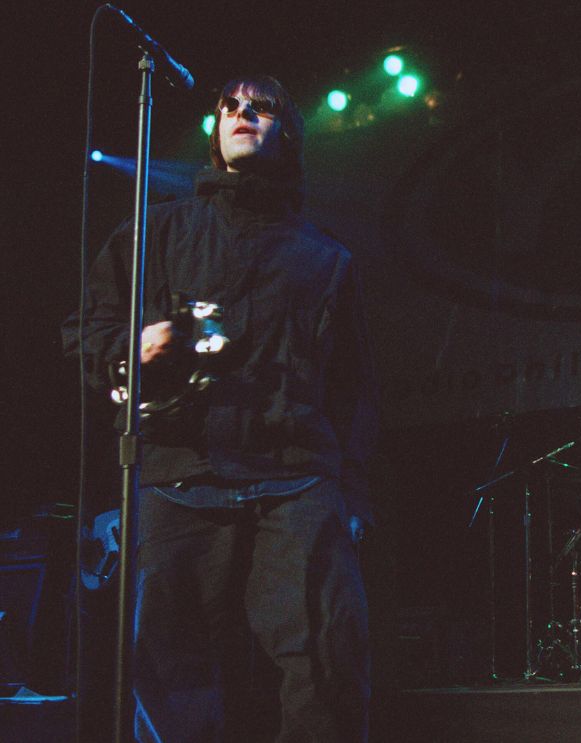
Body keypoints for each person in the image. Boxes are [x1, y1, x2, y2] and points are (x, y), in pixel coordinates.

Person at [64, 74, 377, 741]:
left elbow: (351, 386)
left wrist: (349, 488)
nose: (241, 115)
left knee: (325, 653)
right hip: (180, 471)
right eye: (229, 107)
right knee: (167, 663)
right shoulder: (153, 232)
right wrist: (133, 345)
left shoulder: (325, 257)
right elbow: (87, 333)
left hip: (295, 475)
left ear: (285, 132)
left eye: (259, 108)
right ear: (213, 127)